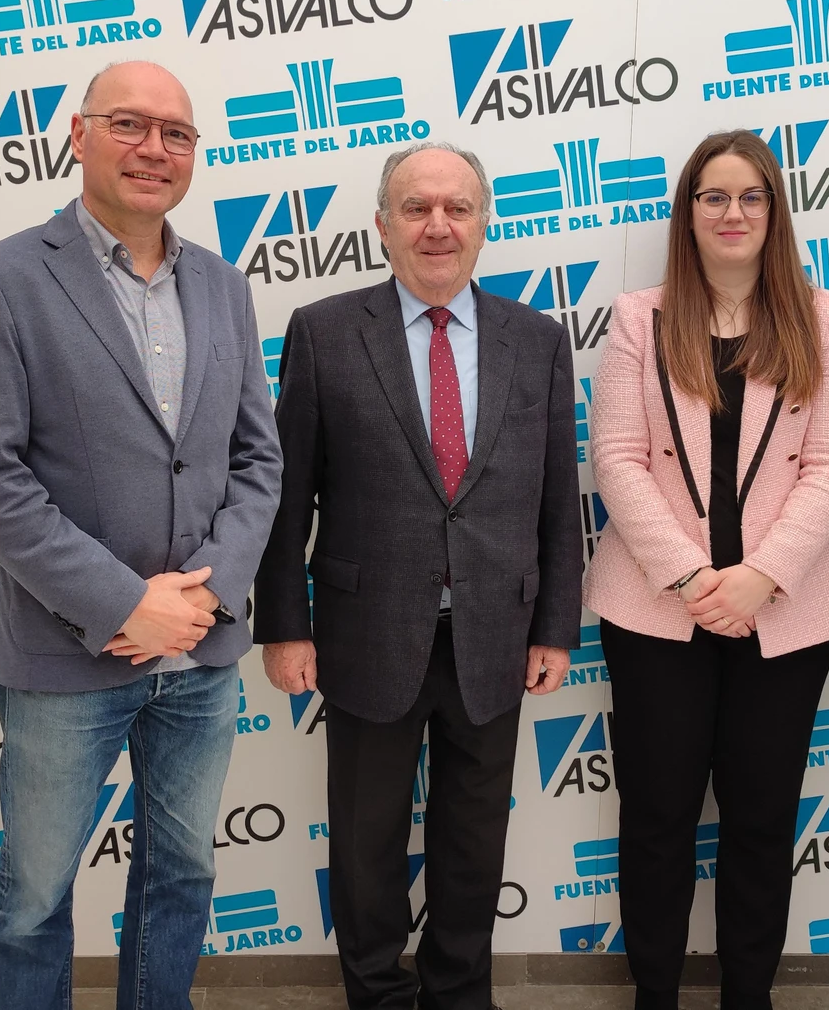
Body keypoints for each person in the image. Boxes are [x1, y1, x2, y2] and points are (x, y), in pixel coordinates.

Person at [0, 60, 282, 1010]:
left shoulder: (222, 285)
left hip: (202, 656)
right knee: (35, 895)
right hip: (66, 656)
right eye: (130, 124)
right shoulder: (1, 280)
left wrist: (203, 598)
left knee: (181, 877)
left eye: (177, 134)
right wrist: (127, 602)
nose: (154, 149)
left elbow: (258, 458)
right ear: (79, 135)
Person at [255, 142, 583, 1010]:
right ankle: (374, 992)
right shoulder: (324, 332)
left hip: (496, 638)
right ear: (382, 225)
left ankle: (458, 994)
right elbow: (288, 500)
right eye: (415, 207)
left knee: (473, 842)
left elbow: (557, 500)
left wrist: (556, 625)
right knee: (366, 842)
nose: (438, 225)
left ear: (483, 222)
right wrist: (285, 624)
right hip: (367, 633)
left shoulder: (539, 342)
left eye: (457, 207)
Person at [579, 129, 829, 1010]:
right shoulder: (640, 317)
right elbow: (618, 458)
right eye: (713, 196)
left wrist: (760, 576)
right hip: (659, 611)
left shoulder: (827, 319)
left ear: (774, 211)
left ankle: (750, 995)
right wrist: (693, 578)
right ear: (689, 213)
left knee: (760, 818)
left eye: (750, 196)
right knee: (658, 818)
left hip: (785, 611)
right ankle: (655, 995)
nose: (732, 212)